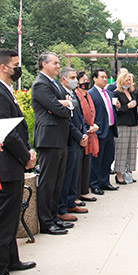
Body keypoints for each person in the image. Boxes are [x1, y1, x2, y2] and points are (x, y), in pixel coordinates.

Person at [0, 49, 37, 275]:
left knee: (11, 215)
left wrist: (27, 150)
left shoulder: (5, 90)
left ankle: (12, 259)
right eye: (16, 65)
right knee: (3, 221)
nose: (19, 68)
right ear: (4, 67)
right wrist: (25, 154)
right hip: (6, 164)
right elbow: (5, 131)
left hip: (13, 163)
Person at [31, 52, 72, 235]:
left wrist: (64, 104)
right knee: (48, 181)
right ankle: (46, 221)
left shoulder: (54, 83)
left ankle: (54, 216)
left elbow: (71, 103)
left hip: (60, 137)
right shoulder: (40, 84)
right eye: (54, 63)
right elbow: (57, 108)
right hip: (48, 138)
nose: (58, 65)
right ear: (44, 64)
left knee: (57, 180)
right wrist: (63, 105)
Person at [56, 67, 88, 223]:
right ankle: (62, 208)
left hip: (78, 137)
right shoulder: (60, 93)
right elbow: (67, 120)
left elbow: (79, 115)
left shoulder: (74, 93)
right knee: (67, 175)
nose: (76, 80)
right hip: (69, 138)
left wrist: (84, 132)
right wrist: (78, 135)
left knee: (74, 173)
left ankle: (70, 202)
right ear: (64, 79)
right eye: (73, 77)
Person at [88, 68, 119, 193]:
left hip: (110, 129)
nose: (105, 79)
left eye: (106, 77)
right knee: (96, 159)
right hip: (99, 130)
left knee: (108, 157)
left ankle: (105, 182)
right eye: (102, 77)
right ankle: (94, 184)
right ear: (95, 78)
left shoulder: (110, 93)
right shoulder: (91, 93)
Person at [75, 71, 99, 202]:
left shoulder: (88, 95)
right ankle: (77, 194)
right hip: (82, 132)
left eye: (86, 79)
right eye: (82, 80)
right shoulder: (76, 95)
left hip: (90, 131)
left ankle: (84, 191)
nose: (85, 82)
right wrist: (86, 128)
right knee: (78, 166)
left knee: (86, 164)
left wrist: (93, 125)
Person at [114, 72, 138, 184]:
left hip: (133, 122)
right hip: (123, 123)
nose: (128, 82)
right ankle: (119, 174)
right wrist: (126, 107)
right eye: (126, 80)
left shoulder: (132, 92)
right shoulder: (116, 93)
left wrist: (135, 102)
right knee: (121, 149)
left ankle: (129, 172)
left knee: (132, 149)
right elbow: (116, 109)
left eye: (129, 80)